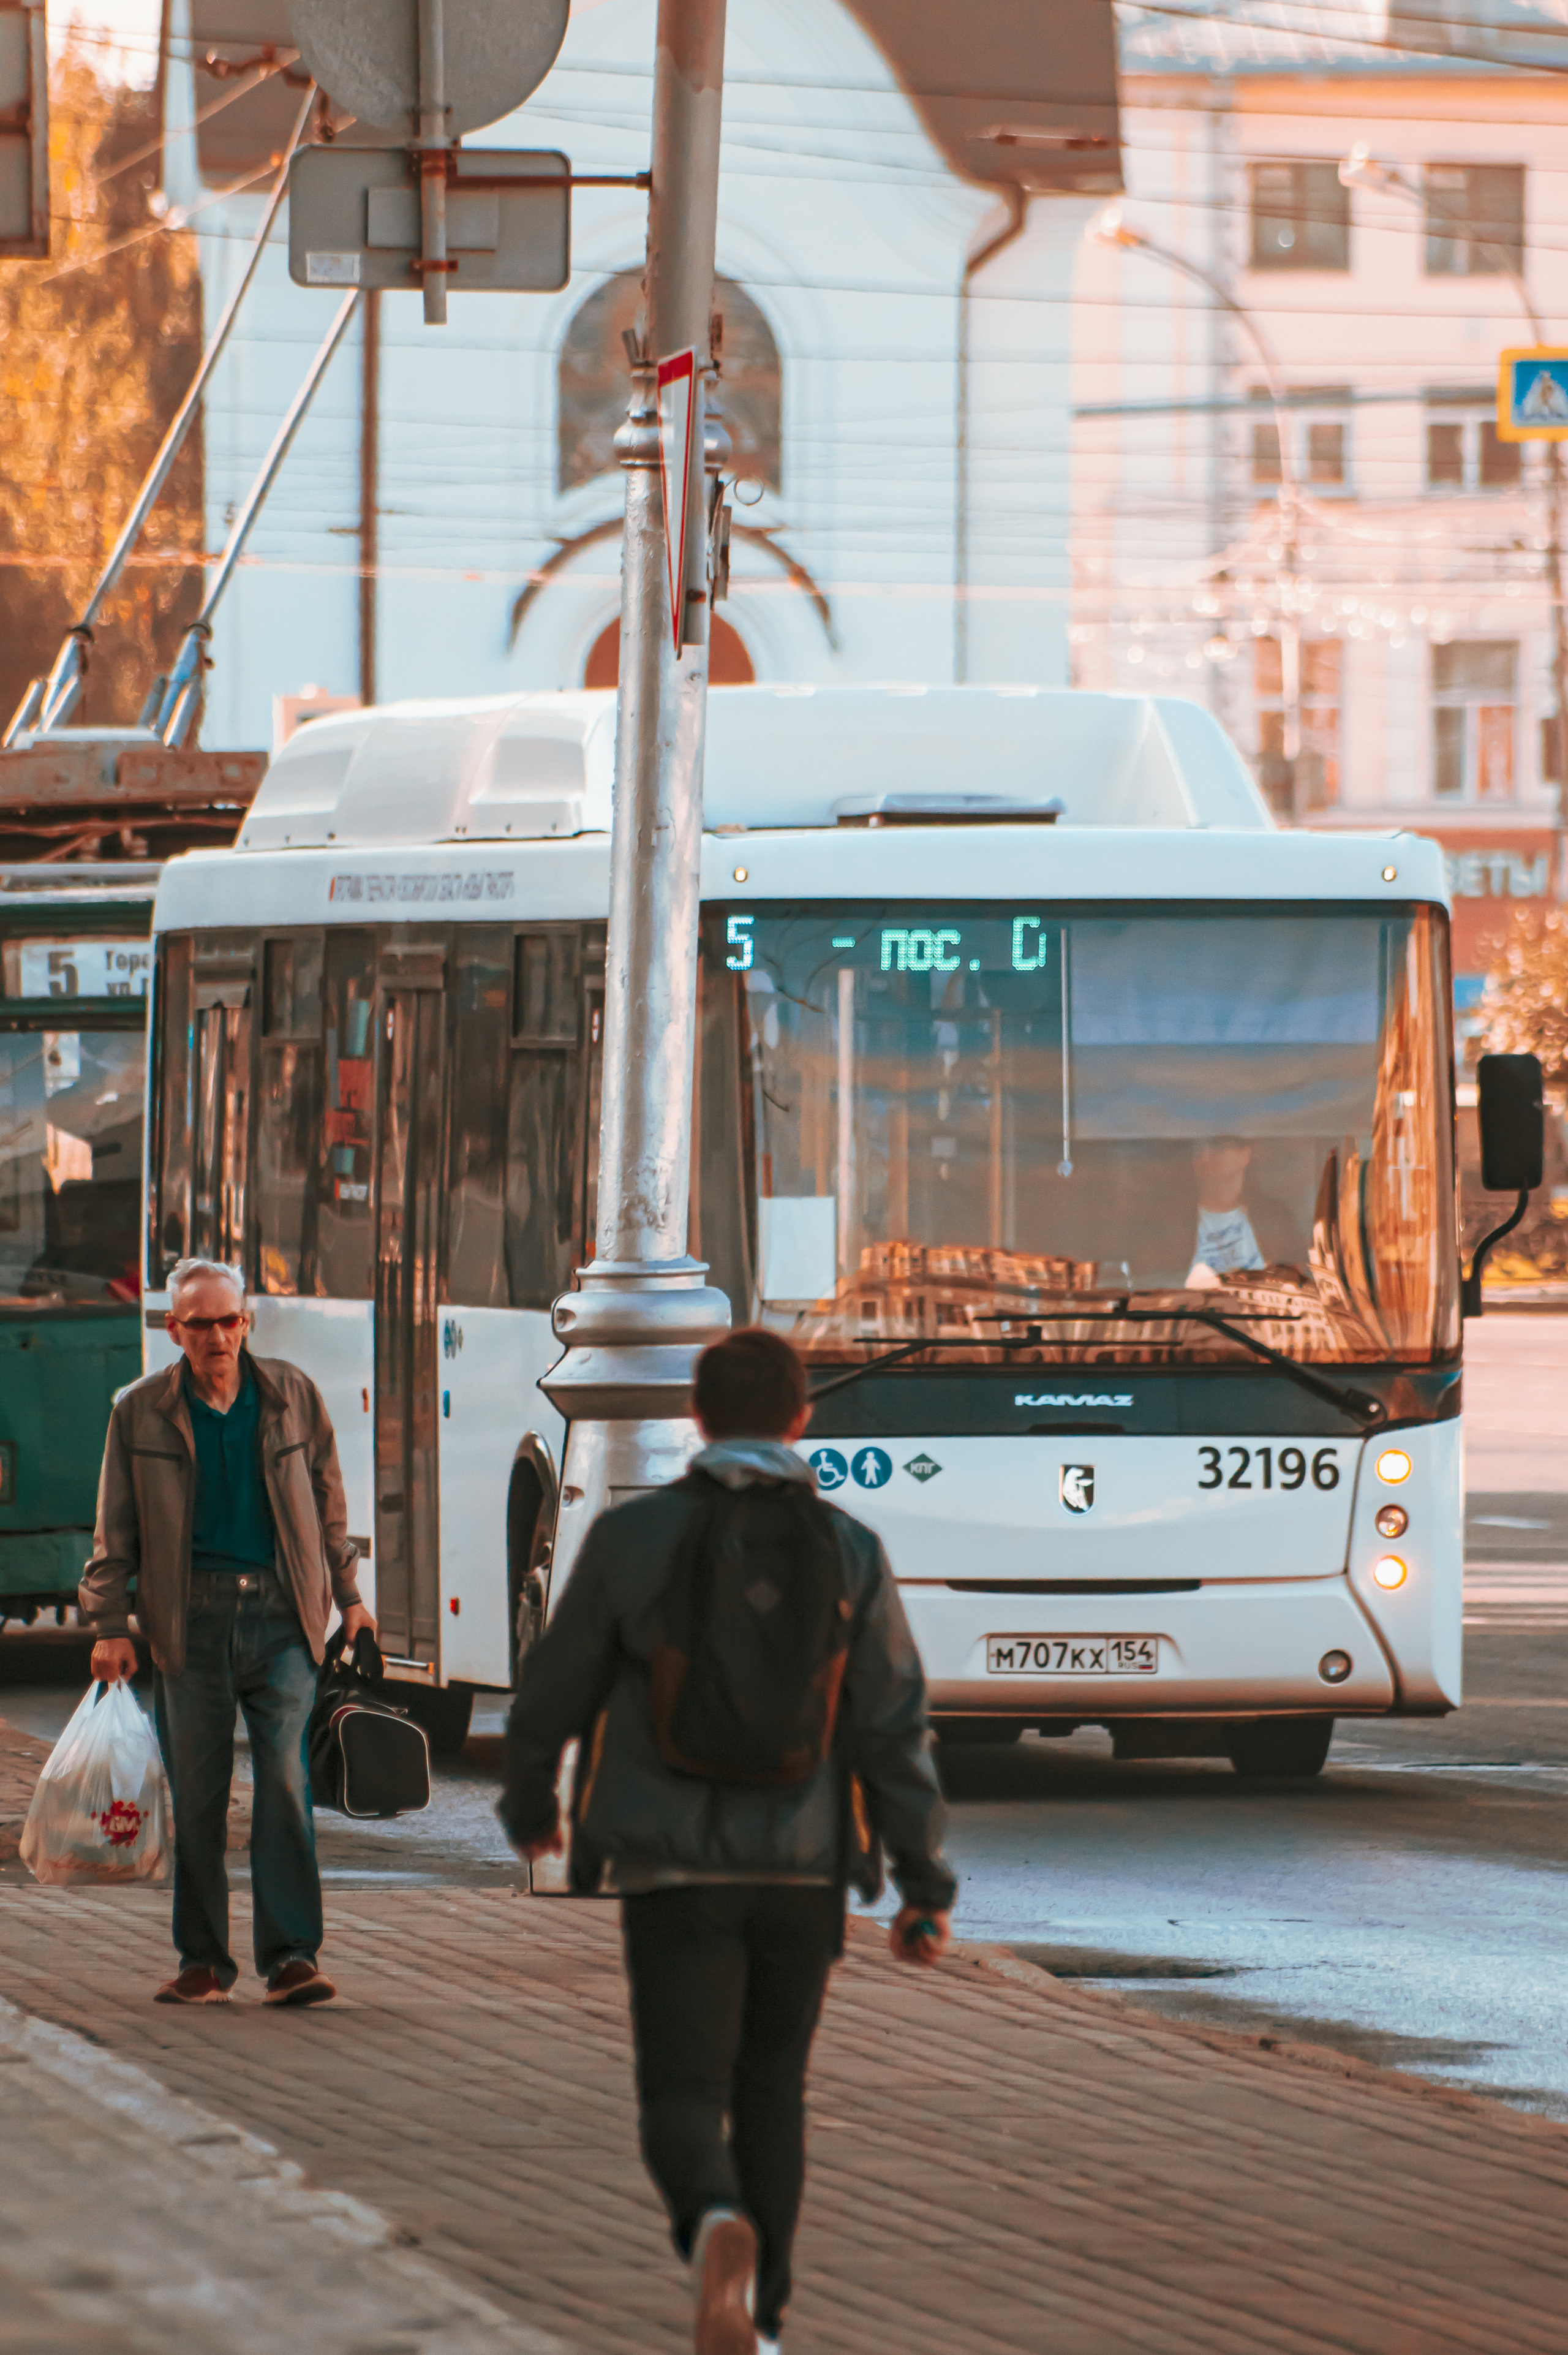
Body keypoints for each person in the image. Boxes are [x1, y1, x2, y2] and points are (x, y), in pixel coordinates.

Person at [500, 1326, 956, 2355]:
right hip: (804, 1867)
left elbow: (554, 1687)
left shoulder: (635, 1538)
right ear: (801, 1418)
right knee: (773, 2089)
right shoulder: (848, 1548)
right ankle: (766, 2320)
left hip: (672, 1867)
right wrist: (924, 1880)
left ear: (697, 1418)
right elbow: (892, 1725)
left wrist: (533, 1807)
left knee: (681, 2090)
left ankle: (712, 2222)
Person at [80, 1258, 374, 2008]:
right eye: (200, 1323)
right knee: (198, 1796)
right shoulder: (139, 1411)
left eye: (228, 1320)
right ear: (174, 1329)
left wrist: (351, 1599)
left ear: (247, 1322)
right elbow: (115, 1527)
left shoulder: (291, 1395)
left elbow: (329, 1503)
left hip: (283, 1616)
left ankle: (292, 1957)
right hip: (190, 1621)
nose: (217, 1336)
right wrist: (110, 1624)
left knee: (285, 1783)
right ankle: (204, 1961)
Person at [1184, 1135, 1298, 1288]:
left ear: (1245, 1154)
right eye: (1198, 1151)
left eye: (1218, 1146)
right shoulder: (1175, 1219)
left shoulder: (1274, 1216)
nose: (1205, 1157)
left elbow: (1296, 1276)